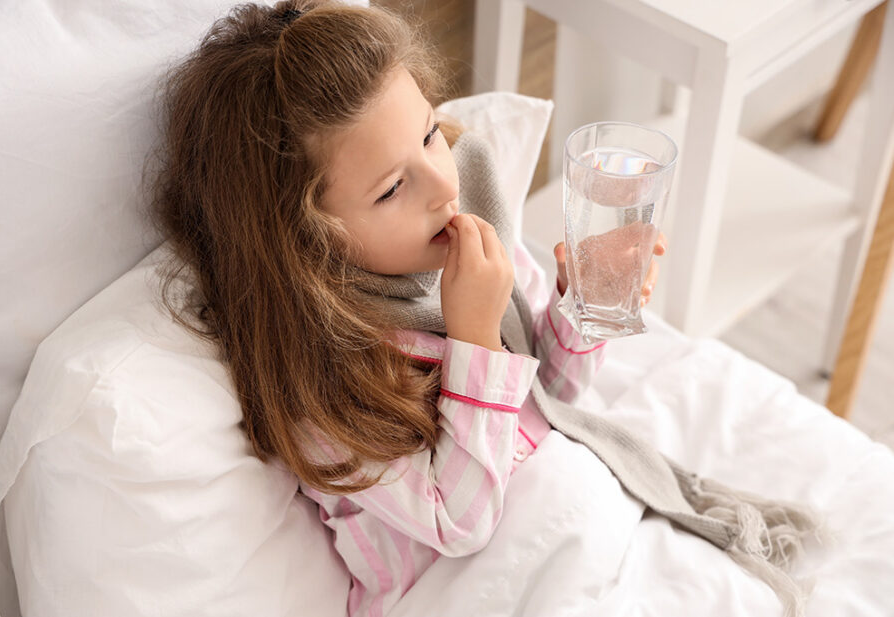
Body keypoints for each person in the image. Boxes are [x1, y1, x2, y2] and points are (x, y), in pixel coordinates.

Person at [149, 2, 814, 617]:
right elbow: (456, 523)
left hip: (567, 517)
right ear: (305, 237)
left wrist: (582, 302)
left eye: (431, 135)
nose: (445, 183)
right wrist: (471, 337)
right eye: (390, 189)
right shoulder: (319, 379)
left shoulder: (465, 243)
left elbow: (549, 398)